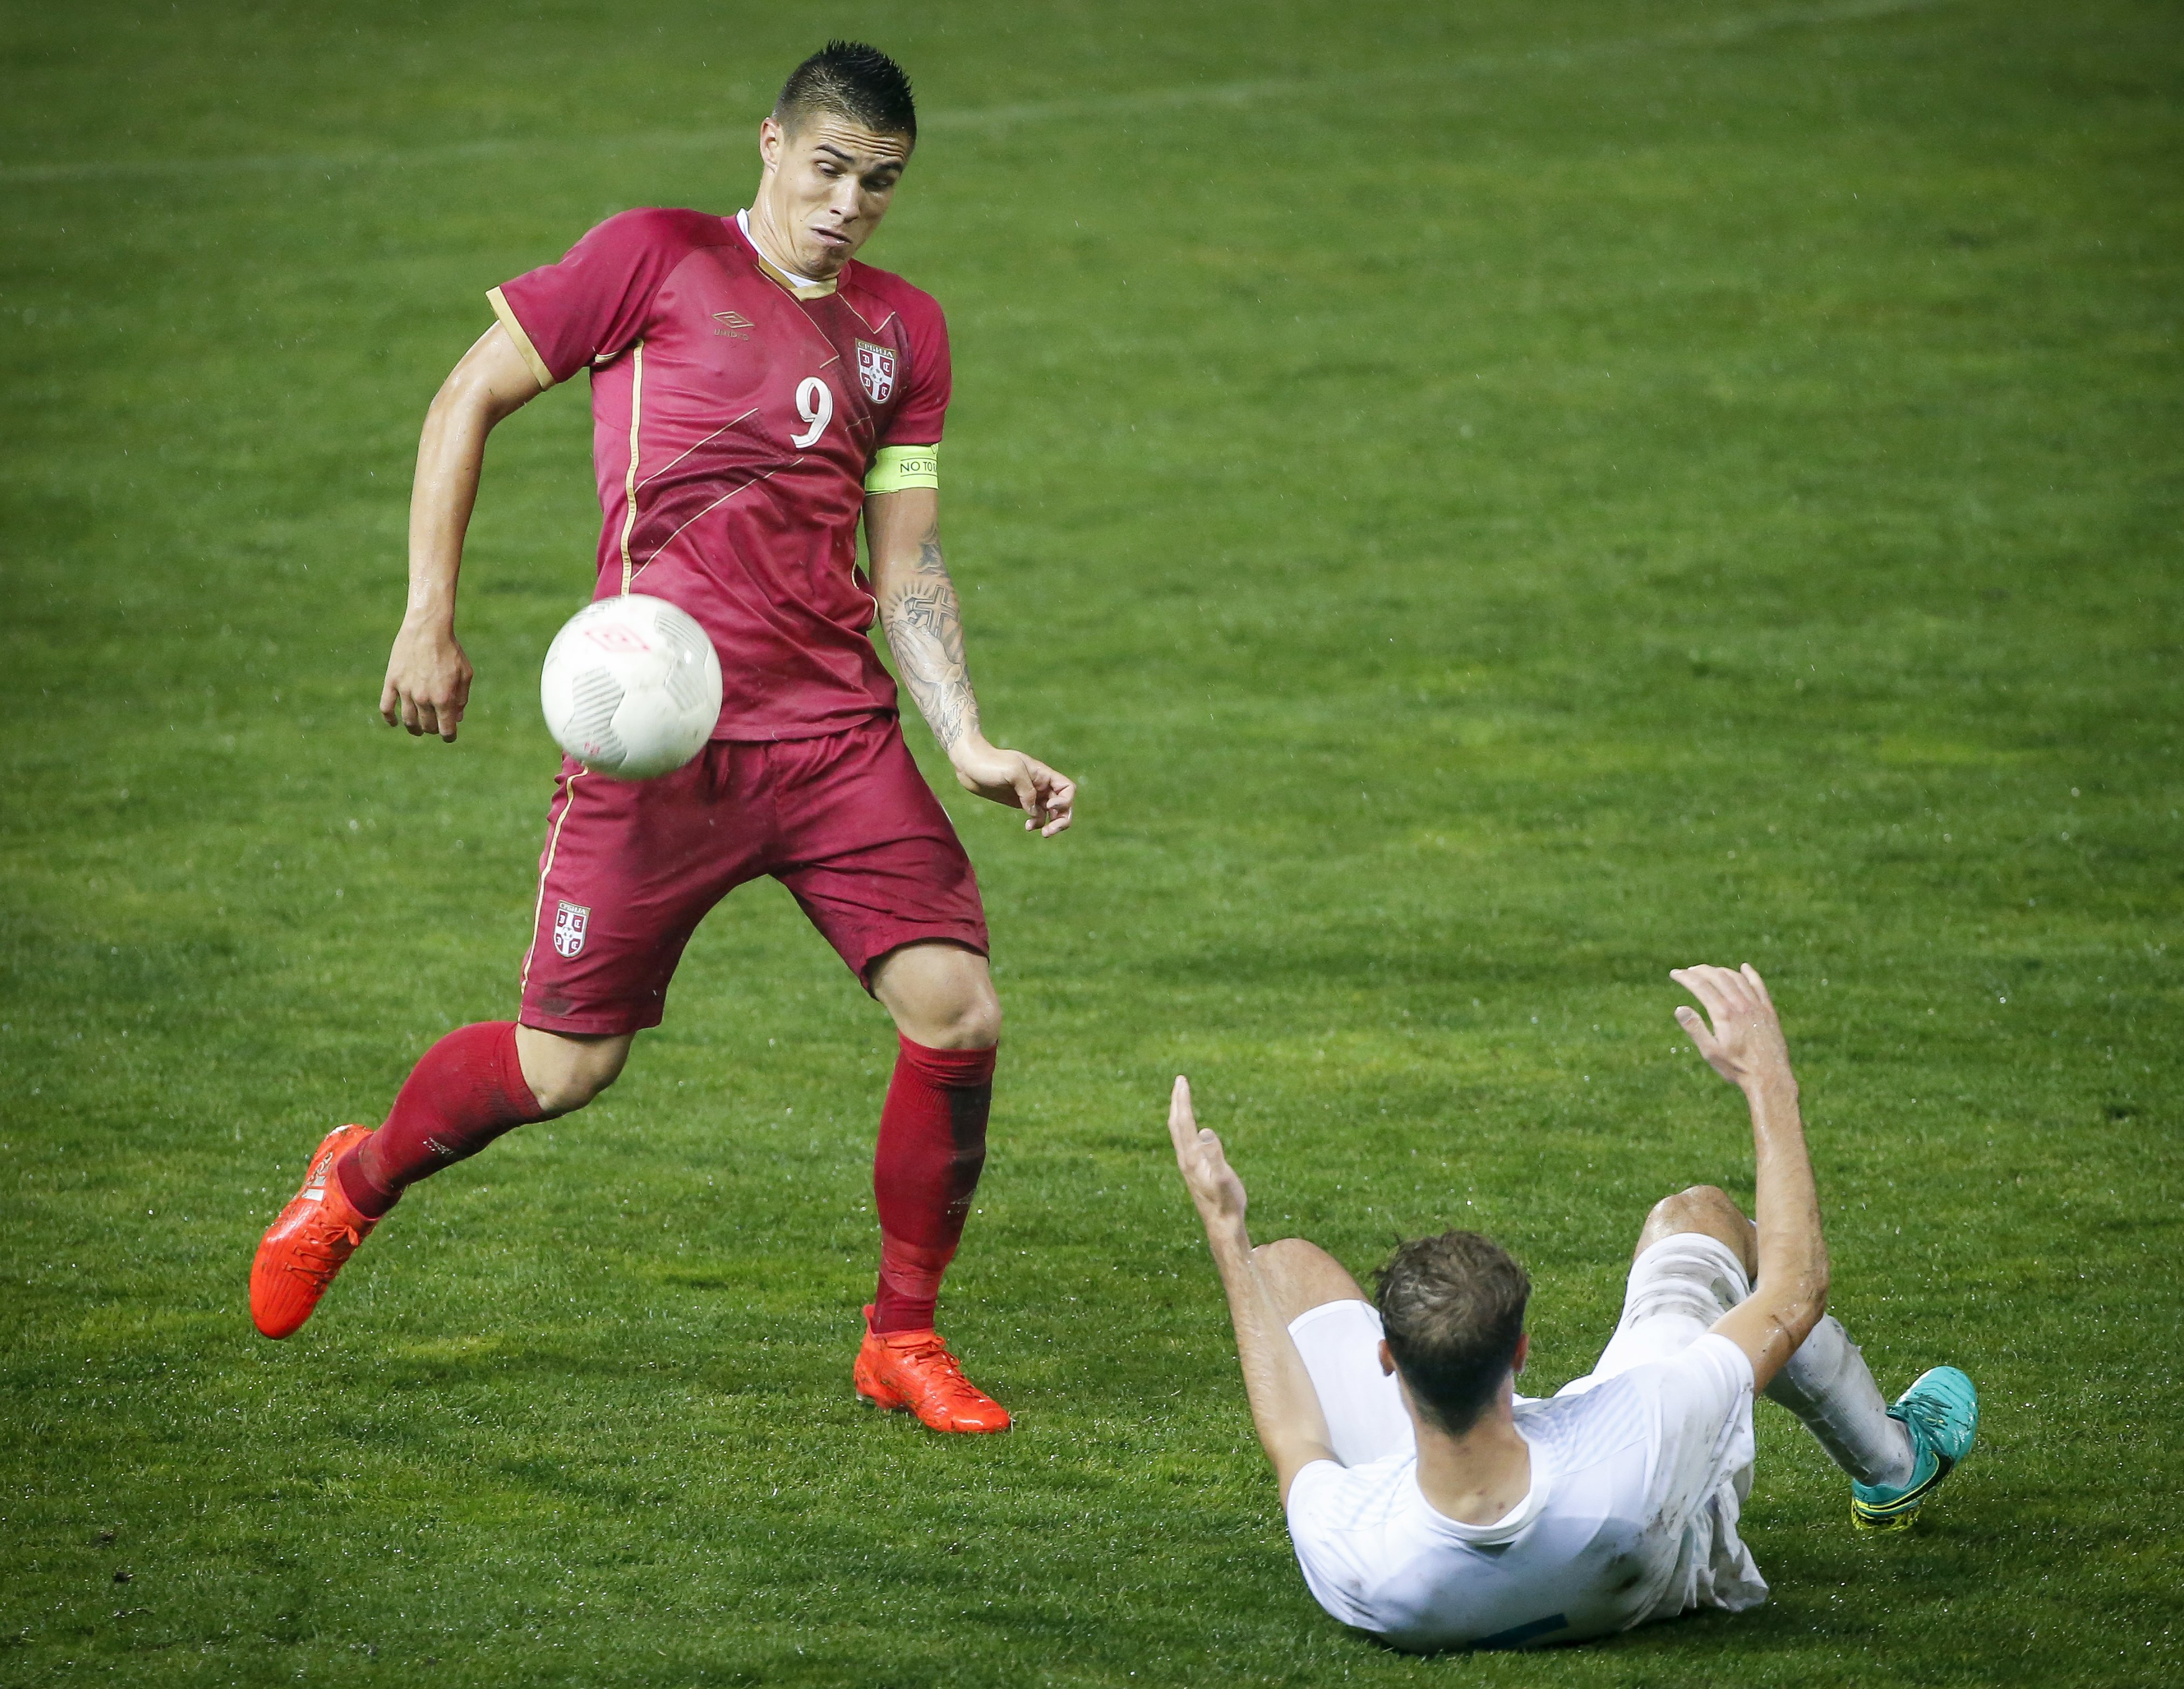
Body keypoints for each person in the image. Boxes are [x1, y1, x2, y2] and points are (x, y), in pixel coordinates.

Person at [249, 42, 1074, 1435]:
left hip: (834, 742)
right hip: (657, 741)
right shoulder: (653, 259)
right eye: (827, 170)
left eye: (878, 184)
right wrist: (425, 619)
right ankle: (357, 1178)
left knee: (958, 1015)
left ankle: (900, 1338)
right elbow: (468, 397)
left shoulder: (904, 333)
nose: (849, 205)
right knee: (564, 1067)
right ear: (768, 145)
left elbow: (911, 557)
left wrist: (967, 738)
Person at [1166, 964, 1978, 1650]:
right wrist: (1771, 1081)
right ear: (1519, 1356)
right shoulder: (1646, 1428)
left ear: (1391, 1360)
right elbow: (1791, 1295)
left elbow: (1294, 1438)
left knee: (1281, 1270)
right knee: (1694, 1218)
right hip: (1650, 1533)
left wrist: (1227, 1238)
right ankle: (1893, 1464)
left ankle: (1256, 1259)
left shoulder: (1350, 1544)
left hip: (1432, 1511)